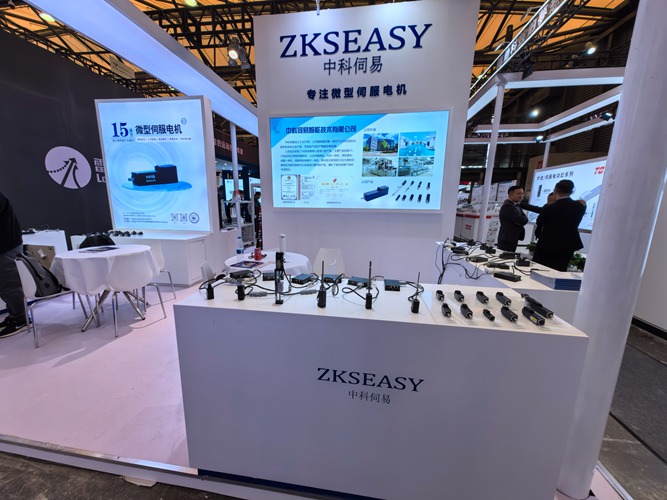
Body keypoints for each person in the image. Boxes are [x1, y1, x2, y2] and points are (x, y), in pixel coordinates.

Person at [532, 179, 586, 272]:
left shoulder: (549, 207)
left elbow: (539, 222)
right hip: (567, 244)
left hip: (547, 243)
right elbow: (582, 202)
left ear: (555, 191)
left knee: (541, 269)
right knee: (560, 270)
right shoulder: (580, 205)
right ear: (572, 191)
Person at [0, 191, 27, 338]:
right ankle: (14, 315)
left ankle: (21, 319)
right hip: (5, 245)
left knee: (10, 284)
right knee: (4, 286)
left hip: (7, 246)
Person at [497, 185, 529, 252]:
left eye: (522, 193)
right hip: (507, 239)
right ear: (510, 194)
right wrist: (524, 218)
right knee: (505, 256)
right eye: (519, 193)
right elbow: (521, 220)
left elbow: (524, 219)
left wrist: (524, 218)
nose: (521, 196)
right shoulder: (507, 206)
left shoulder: (516, 205)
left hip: (512, 238)